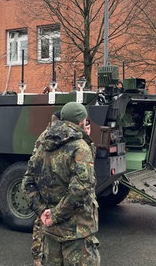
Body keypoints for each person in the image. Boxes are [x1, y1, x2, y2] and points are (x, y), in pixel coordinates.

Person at [22, 102, 100, 265]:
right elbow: (82, 188)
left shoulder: (43, 143)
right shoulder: (80, 147)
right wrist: (56, 215)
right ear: (81, 121)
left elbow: (28, 181)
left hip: (50, 233)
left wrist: (43, 211)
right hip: (76, 233)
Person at [23, 111, 60, 266]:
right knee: (42, 224)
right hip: (45, 187)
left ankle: (39, 256)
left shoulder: (47, 135)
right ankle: (38, 257)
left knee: (42, 223)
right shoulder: (47, 138)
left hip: (44, 186)